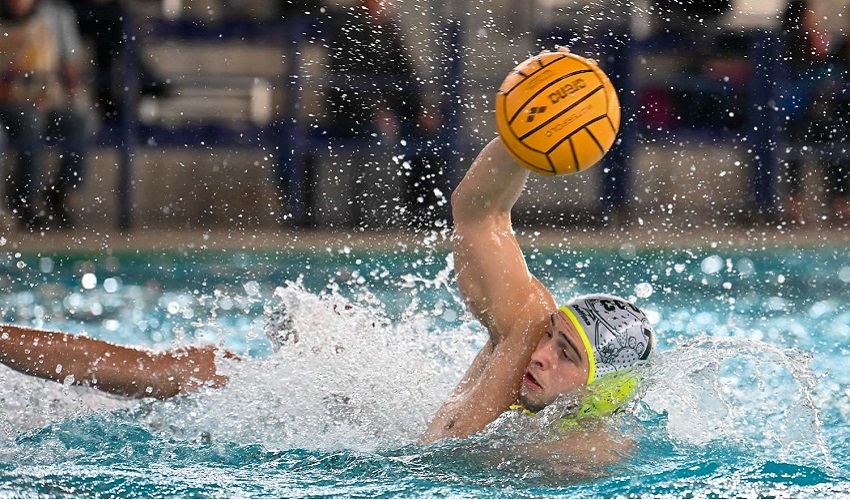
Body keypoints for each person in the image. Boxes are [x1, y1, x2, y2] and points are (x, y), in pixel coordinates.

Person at [0, 48, 655, 457]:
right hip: (367, 426)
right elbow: (479, 209)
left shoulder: (587, 454)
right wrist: (519, 143)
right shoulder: (525, 327)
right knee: (190, 368)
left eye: (568, 355)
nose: (543, 352)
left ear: (606, 390)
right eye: (555, 337)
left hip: (402, 450)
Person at [0, 0, 94, 230]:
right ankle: (25, 198)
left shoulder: (52, 20)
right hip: (9, 103)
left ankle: (61, 191)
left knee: (79, 121)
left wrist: (68, 96)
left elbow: (67, 68)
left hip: (43, 101)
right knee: (31, 120)